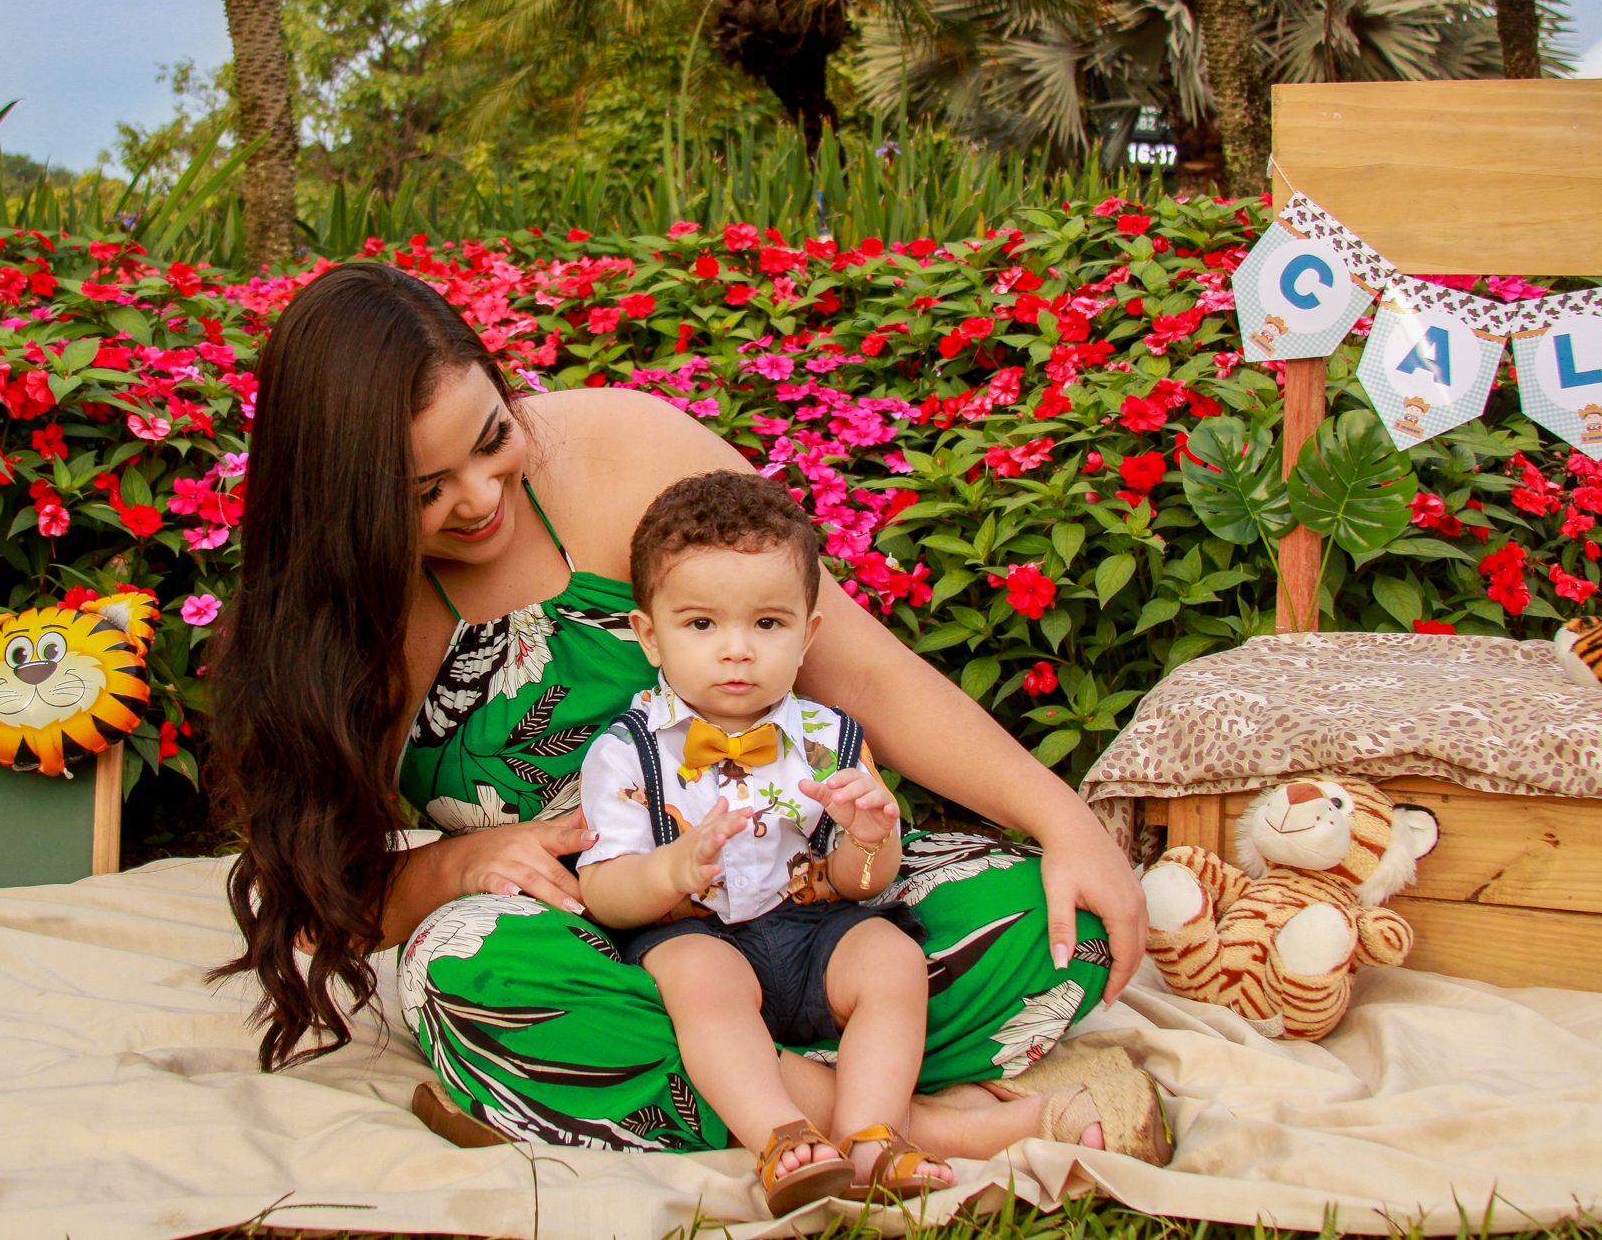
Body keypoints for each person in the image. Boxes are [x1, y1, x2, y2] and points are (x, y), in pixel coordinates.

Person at [209, 259, 1157, 1169]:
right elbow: (320, 899)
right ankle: (902, 1120)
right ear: (344, 504)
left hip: (799, 904)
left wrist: (1063, 818)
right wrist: (459, 864)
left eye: (493, 440)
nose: (481, 497)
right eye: (425, 493)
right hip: (590, 944)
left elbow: (863, 673)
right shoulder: (327, 635)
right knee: (474, 981)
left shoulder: (624, 449)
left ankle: (653, 1097)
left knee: (1054, 919)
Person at [575, 470, 949, 1210]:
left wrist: (873, 837)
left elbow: (859, 882)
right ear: (650, 633)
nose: (737, 651)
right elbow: (604, 891)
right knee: (697, 978)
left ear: (808, 633)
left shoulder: (829, 736)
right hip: (700, 933)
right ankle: (780, 1136)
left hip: (813, 928)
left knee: (893, 956)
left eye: (767, 624)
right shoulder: (627, 751)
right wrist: (672, 867)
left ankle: (874, 1133)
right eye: (702, 625)